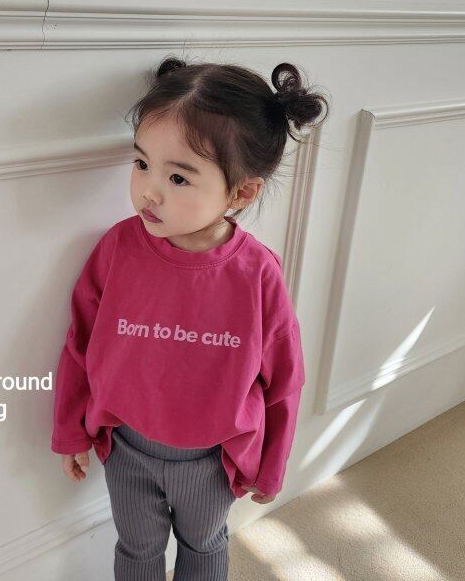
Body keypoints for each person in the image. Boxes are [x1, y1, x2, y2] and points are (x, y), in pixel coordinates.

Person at [51, 55, 330, 581]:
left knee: (203, 546)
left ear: (241, 192)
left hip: (212, 461)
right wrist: (70, 430)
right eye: (142, 164)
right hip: (126, 449)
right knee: (136, 549)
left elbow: (284, 380)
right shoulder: (117, 248)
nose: (149, 191)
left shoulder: (256, 273)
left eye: (178, 176)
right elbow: (80, 343)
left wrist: (272, 464)